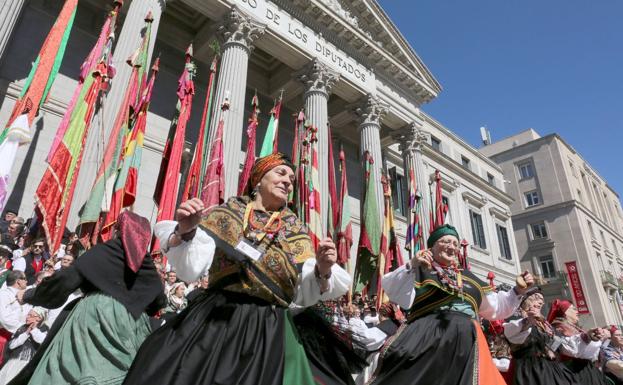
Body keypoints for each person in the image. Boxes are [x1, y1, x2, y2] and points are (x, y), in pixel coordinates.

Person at [124, 153, 351, 385]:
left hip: (265, 326)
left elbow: (307, 292)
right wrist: (185, 231)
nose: (288, 182)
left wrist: (323, 270)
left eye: (291, 179)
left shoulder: (294, 228)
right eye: (280, 173)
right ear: (259, 178)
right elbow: (190, 270)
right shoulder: (229, 212)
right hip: (216, 317)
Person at [9, 211, 166, 385]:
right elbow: (158, 301)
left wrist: (30, 295)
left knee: (69, 372)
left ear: (118, 231)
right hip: (133, 326)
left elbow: (64, 282)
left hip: (94, 318)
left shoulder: (104, 252)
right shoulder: (148, 266)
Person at [370, 224, 534, 385]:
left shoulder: (468, 277)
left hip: (468, 338)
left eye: (455, 243)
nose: (451, 246)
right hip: (430, 336)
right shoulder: (420, 268)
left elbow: (496, 308)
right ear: (432, 246)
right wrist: (412, 264)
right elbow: (392, 288)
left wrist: (518, 290)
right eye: (445, 241)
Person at [504, 292, 574, 385]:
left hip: (551, 370)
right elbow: (514, 333)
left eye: (542, 300)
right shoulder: (517, 320)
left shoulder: (546, 325)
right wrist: (528, 321)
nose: (541, 301)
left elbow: (560, 344)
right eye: (536, 297)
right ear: (526, 300)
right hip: (530, 371)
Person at [548, 299, 608, 385]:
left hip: (586, 369)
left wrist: (596, 339)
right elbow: (570, 349)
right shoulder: (558, 328)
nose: (577, 311)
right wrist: (588, 337)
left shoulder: (574, 327)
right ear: (565, 312)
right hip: (573, 371)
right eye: (573, 309)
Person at [0, 307, 48, 384]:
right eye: (28, 314)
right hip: (13, 361)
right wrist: (26, 334)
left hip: (27, 364)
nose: (27, 317)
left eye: (31, 315)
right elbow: (11, 345)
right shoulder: (22, 328)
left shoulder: (44, 329)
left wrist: (34, 330)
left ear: (38, 318)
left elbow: (44, 341)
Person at [0, 271, 30, 365]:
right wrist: (21, 327)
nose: (27, 281)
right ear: (18, 281)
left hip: (15, 336)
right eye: (25, 279)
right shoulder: (4, 295)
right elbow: (4, 317)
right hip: (3, 336)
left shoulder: (22, 295)